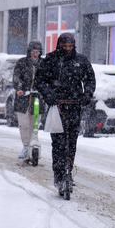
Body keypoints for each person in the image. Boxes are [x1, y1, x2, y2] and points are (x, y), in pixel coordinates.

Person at [35, 33, 96, 195]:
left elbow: (90, 80)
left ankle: (68, 170)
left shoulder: (81, 61)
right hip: (57, 107)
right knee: (59, 143)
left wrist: (87, 94)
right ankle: (59, 174)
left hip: (75, 106)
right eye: (65, 46)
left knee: (72, 141)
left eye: (70, 46)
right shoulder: (51, 60)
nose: (68, 49)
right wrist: (49, 95)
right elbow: (40, 80)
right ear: (59, 45)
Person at [12, 41, 43, 159]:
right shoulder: (22, 63)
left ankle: (33, 144)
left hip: (37, 98)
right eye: (33, 52)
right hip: (23, 98)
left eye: (37, 52)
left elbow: (48, 78)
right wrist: (20, 88)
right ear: (29, 52)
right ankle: (26, 146)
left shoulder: (43, 64)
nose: (35, 54)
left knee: (34, 124)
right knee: (24, 124)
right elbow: (16, 77)